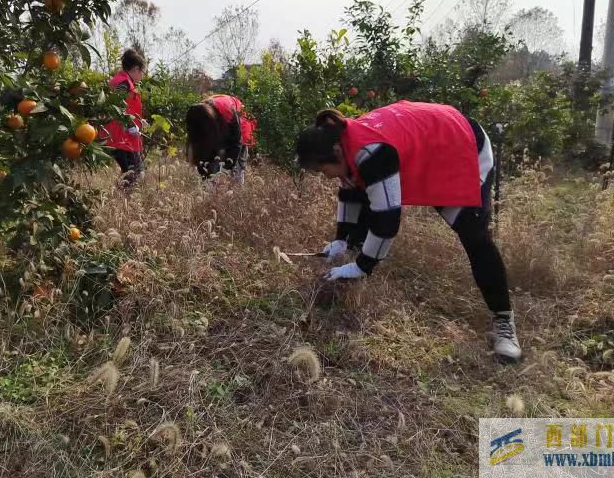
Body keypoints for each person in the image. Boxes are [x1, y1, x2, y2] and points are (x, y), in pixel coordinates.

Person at [294, 101, 520, 363]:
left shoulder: (371, 152)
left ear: (335, 152)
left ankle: (504, 323)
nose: (326, 177)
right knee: (368, 201)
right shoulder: (342, 142)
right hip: (431, 149)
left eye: (323, 170)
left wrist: (363, 266)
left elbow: (387, 219)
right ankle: (351, 278)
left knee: (474, 235)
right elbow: (350, 190)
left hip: (460, 146)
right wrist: (340, 241)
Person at [185, 94, 256, 184]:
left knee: (238, 164)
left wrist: (226, 170)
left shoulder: (227, 110)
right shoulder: (196, 116)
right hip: (218, 123)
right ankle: (212, 189)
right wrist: (204, 173)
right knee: (210, 154)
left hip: (240, 123)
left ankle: (237, 188)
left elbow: (237, 142)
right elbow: (197, 146)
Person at [102, 49, 146, 187]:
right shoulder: (123, 83)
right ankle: (123, 203)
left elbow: (126, 107)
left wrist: (138, 120)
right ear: (136, 69)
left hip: (120, 137)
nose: (143, 76)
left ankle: (122, 201)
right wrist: (131, 125)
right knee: (134, 174)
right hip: (121, 138)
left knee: (132, 173)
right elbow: (116, 106)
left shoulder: (123, 80)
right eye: (143, 72)